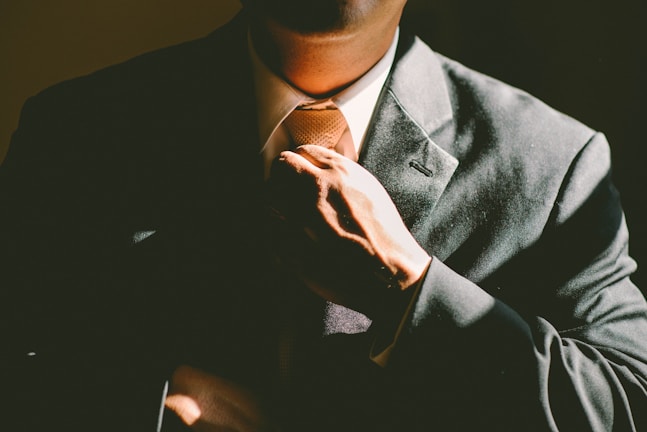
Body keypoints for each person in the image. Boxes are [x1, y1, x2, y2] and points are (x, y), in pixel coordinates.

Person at [2, 0, 647, 430]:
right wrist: (140, 405)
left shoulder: (554, 164)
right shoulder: (78, 134)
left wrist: (410, 287)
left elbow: (627, 404)